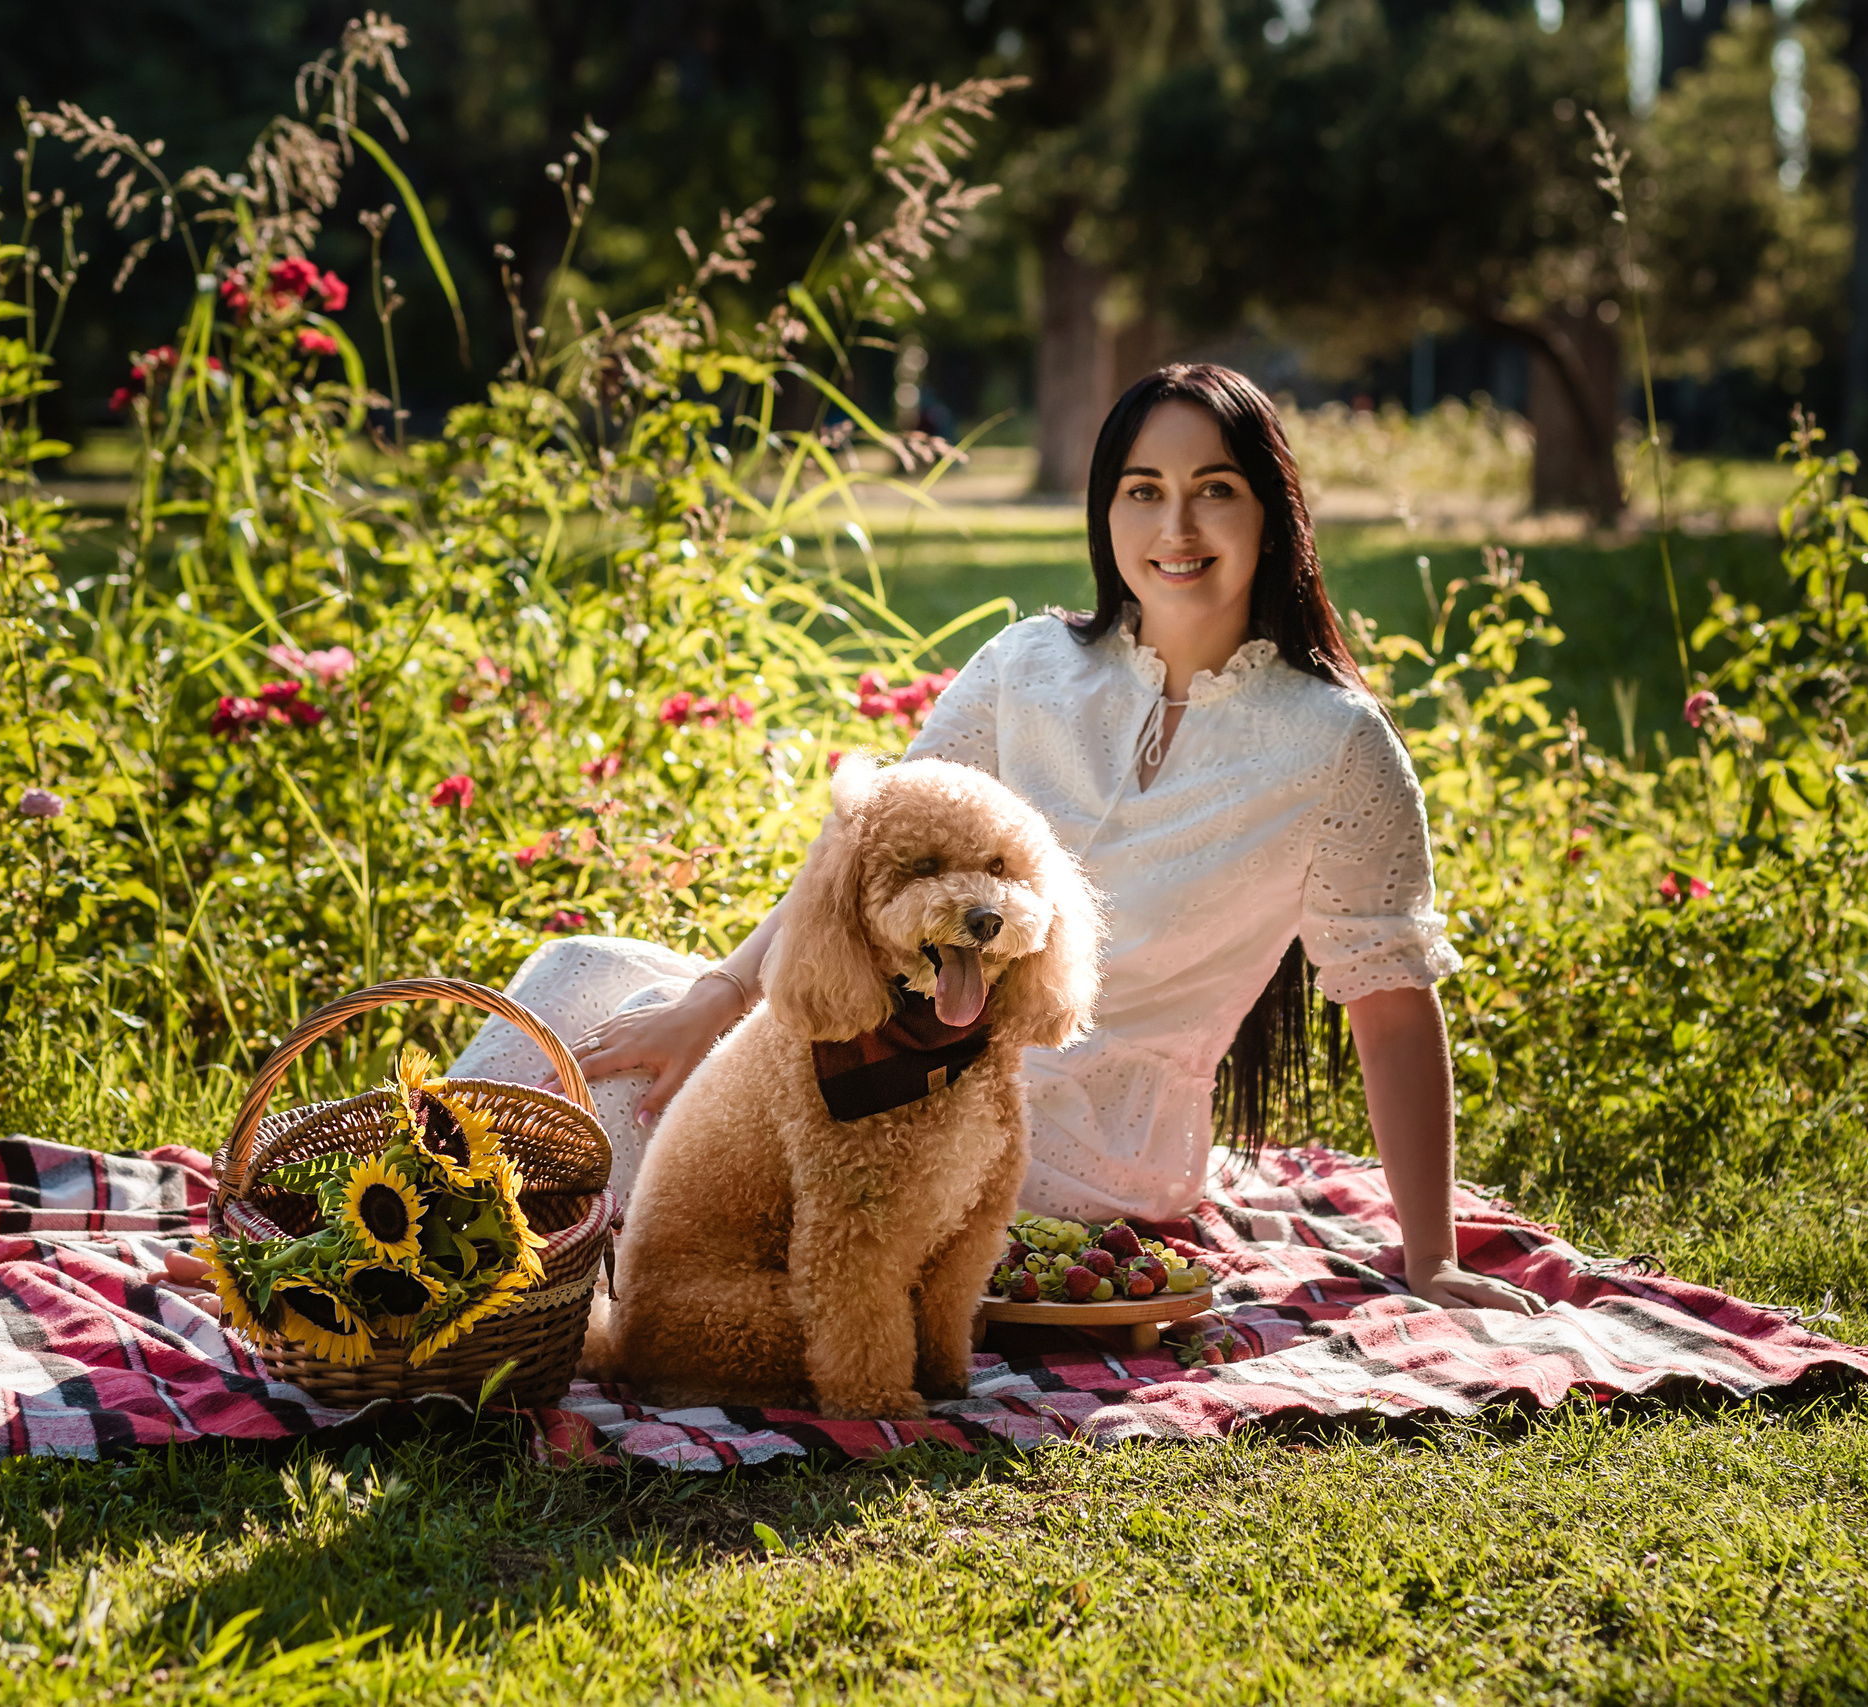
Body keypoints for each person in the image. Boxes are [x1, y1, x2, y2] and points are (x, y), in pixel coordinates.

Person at [449, 363, 1545, 1315]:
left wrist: (1432, 1258)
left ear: (1273, 514)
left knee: (652, 1130)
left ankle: (441, 1277)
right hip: (881, 1041)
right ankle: (396, 1237)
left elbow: (1391, 1002)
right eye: (1142, 492)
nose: (1176, 530)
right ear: (1103, 512)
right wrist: (725, 996)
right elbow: (861, 858)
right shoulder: (1027, 666)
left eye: (1215, 491)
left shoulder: (1334, 745)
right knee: (583, 977)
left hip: (1066, 1144)